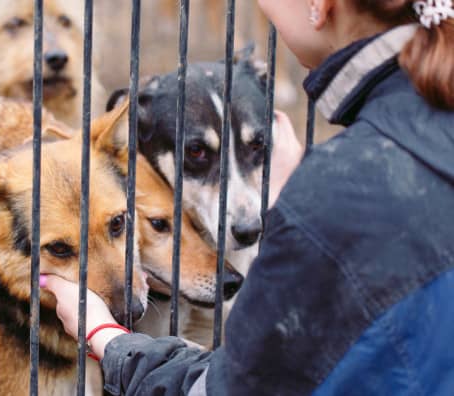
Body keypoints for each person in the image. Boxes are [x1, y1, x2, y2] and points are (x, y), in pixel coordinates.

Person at [41, 0, 454, 394]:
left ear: (319, 5)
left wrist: (103, 335)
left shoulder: (330, 194)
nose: (245, 214)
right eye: (197, 155)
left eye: (255, 149)